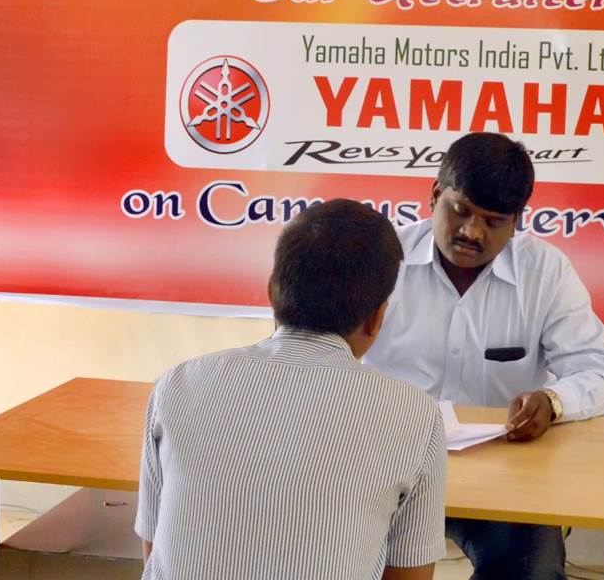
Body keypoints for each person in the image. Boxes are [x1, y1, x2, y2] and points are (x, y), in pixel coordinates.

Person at [136, 199, 446, 580]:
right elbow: (410, 575)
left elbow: (155, 550)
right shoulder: (414, 414)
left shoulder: (177, 384)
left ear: (272, 291)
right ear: (377, 318)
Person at [365, 132, 604, 580]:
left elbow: (599, 373)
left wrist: (553, 401)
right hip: (383, 463)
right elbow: (325, 355)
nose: (471, 232)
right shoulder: (382, 260)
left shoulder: (546, 272)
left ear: (517, 221)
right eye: (460, 211)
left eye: (493, 220)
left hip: (504, 472)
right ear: (435, 195)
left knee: (532, 571)